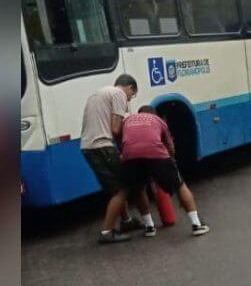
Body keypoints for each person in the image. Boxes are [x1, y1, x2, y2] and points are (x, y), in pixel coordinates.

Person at [79, 74, 150, 244]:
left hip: (88, 147)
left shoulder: (99, 93)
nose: (129, 100)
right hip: (103, 146)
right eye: (132, 96)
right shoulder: (119, 95)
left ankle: (126, 222)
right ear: (130, 88)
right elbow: (116, 128)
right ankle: (106, 232)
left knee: (115, 187)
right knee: (123, 188)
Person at [120, 105, 209, 238]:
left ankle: (149, 227)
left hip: (131, 157)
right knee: (180, 186)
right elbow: (170, 146)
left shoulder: (128, 120)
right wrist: (171, 161)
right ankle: (196, 224)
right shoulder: (158, 121)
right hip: (157, 155)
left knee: (139, 190)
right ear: (155, 114)